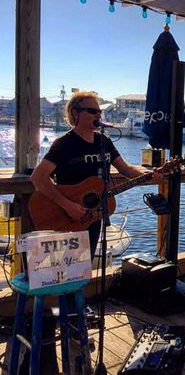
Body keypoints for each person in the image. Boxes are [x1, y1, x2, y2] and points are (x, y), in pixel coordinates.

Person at [29, 91, 162, 373]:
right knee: (66, 273)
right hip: (66, 217)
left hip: (93, 216)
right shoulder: (64, 144)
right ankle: (68, 324)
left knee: (81, 272)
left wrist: (150, 175)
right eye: (92, 111)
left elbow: (125, 169)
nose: (98, 115)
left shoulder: (104, 141)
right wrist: (66, 203)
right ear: (75, 114)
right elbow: (38, 177)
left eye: (99, 111)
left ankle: (75, 323)